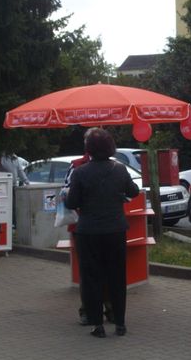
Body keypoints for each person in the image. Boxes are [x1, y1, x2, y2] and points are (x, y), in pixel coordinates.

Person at [66, 128, 139, 338]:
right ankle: (120, 324)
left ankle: (97, 325)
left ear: (88, 148)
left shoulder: (80, 172)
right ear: (110, 147)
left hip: (88, 232)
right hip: (115, 230)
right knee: (117, 276)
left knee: (91, 278)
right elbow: (133, 191)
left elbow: (72, 202)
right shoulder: (119, 169)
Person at [64, 149, 114, 327]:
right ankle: (92, 310)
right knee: (93, 271)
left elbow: (69, 198)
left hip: (90, 226)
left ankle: (101, 310)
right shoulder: (78, 166)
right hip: (90, 227)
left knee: (96, 271)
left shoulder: (111, 166)